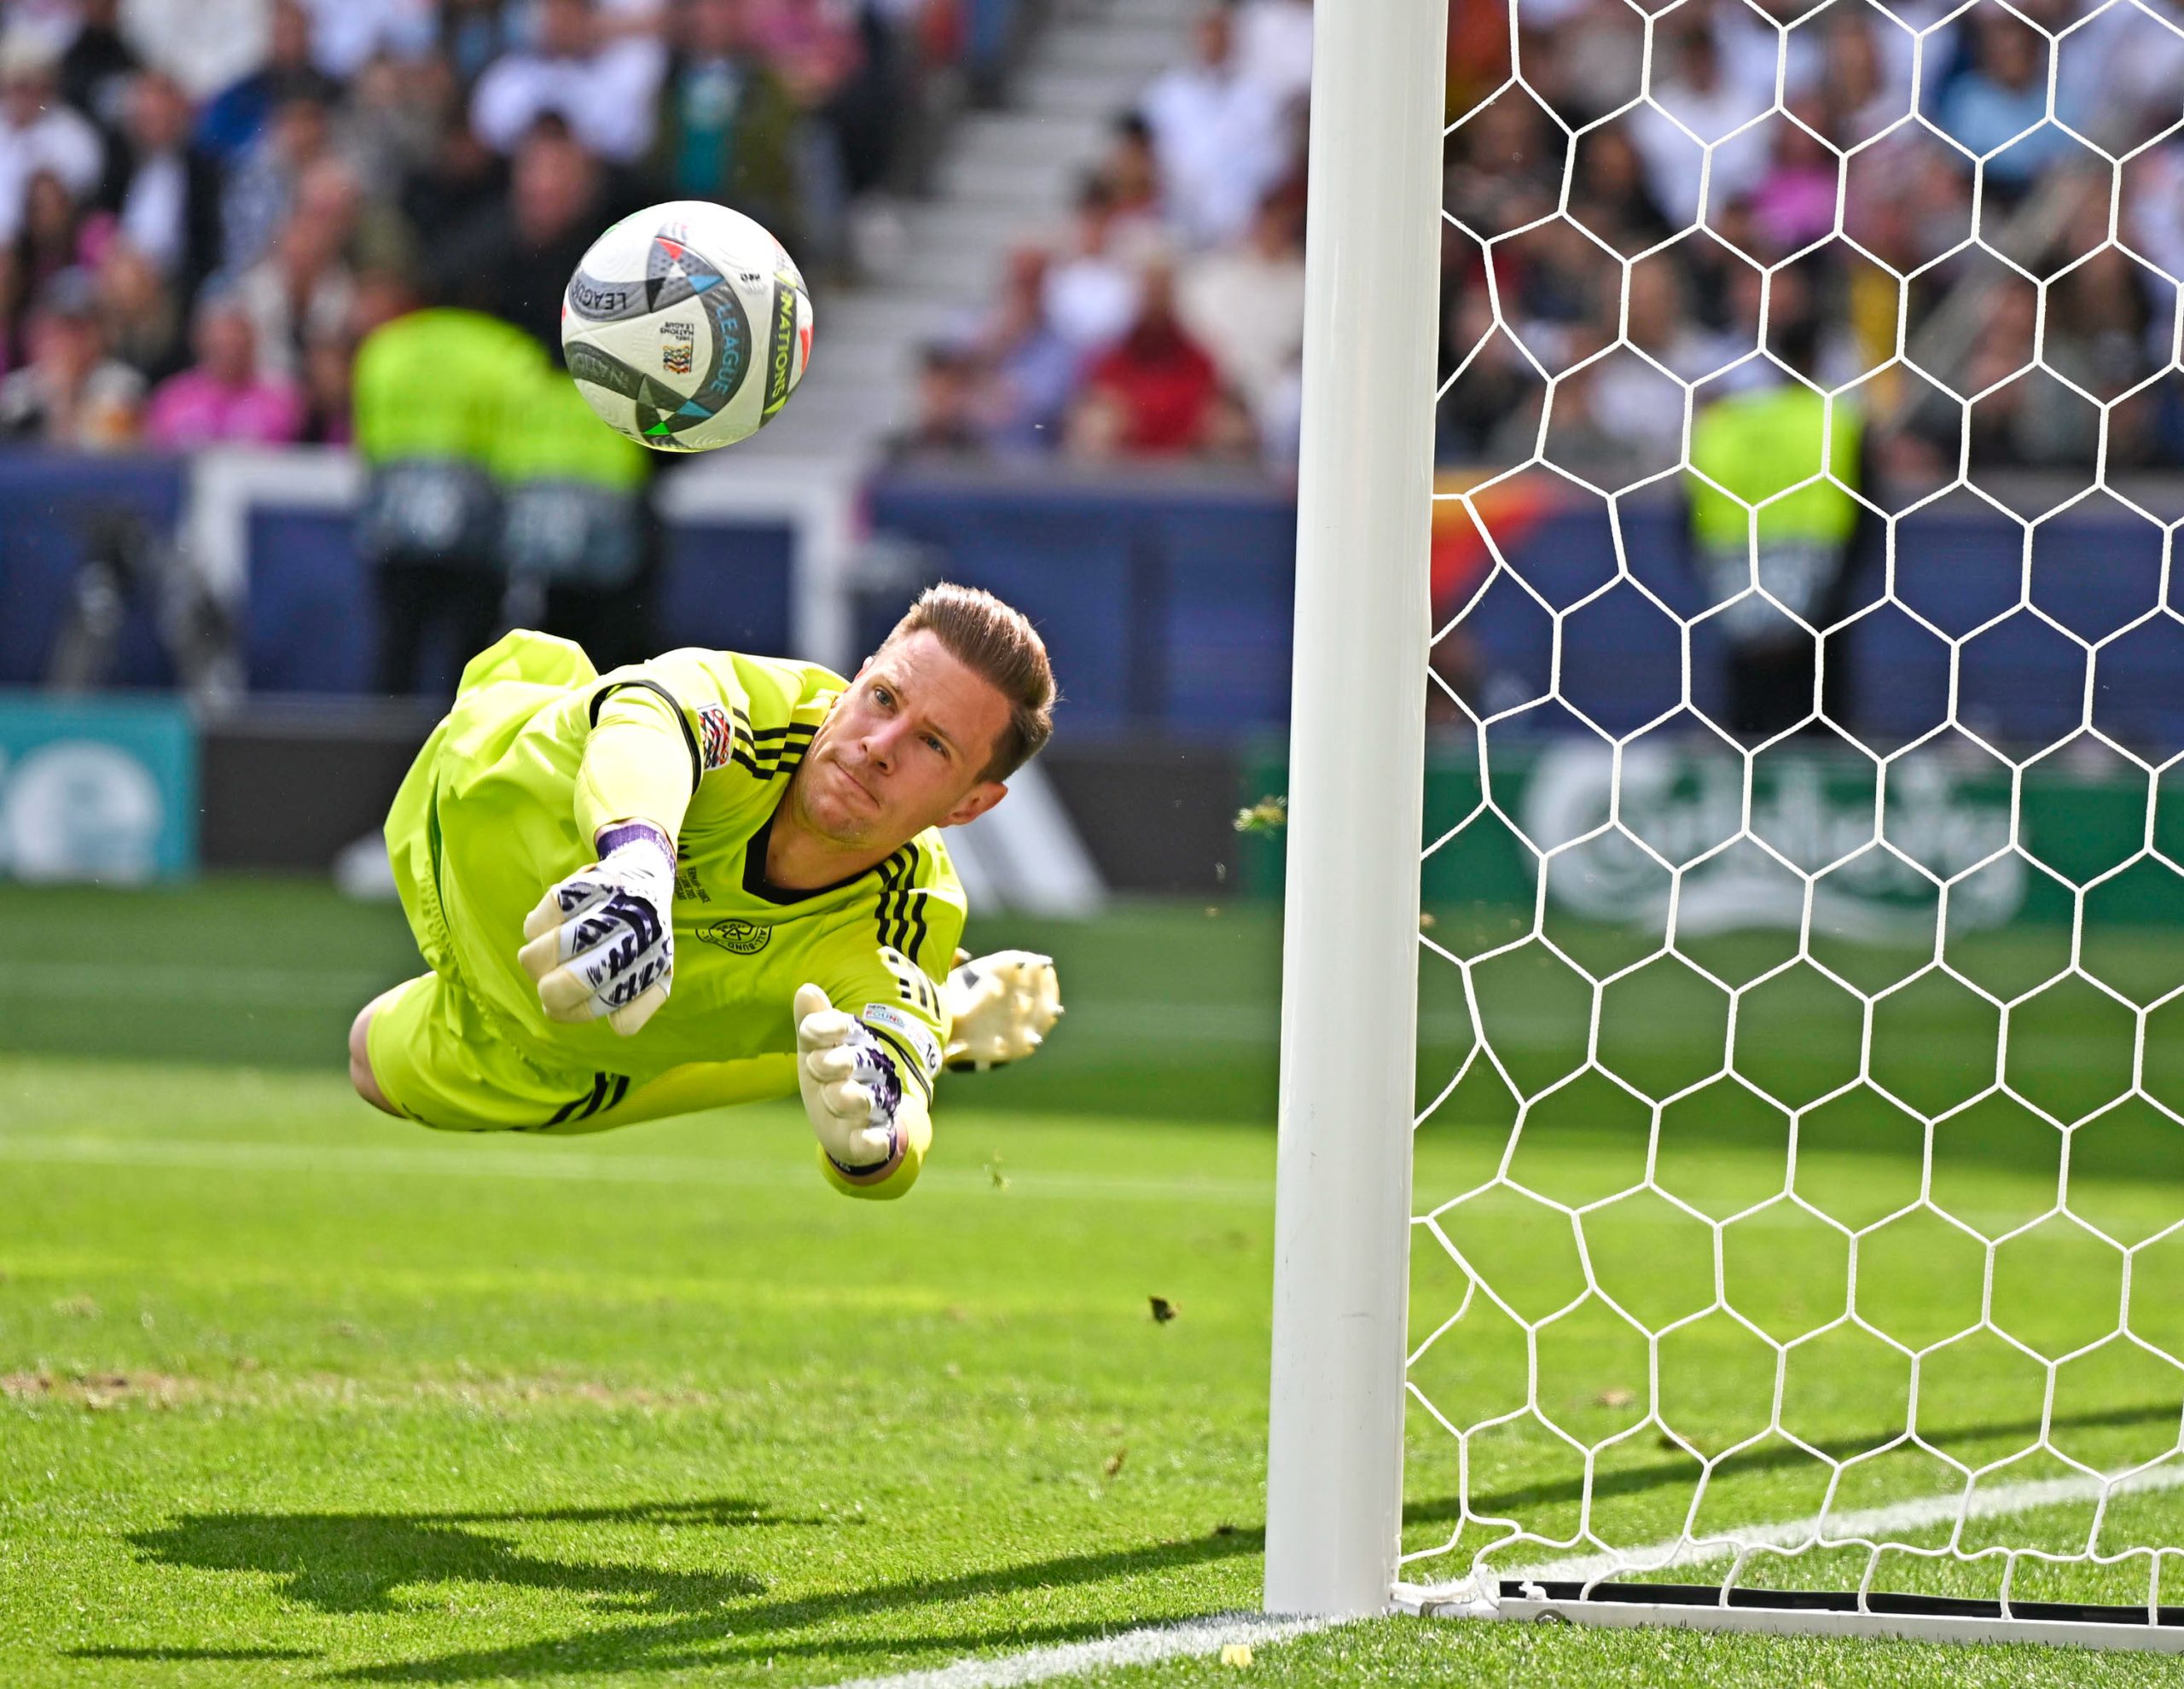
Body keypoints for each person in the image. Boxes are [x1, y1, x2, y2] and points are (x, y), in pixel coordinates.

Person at [346, 584, 1065, 1203]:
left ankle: (938, 1018)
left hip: (547, 1035)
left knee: (369, 1063)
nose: (881, 744)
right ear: (858, 677)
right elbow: (648, 731)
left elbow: (896, 1124)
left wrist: (874, 1143)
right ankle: (950, 1012)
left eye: (933, 745)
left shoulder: (907, 916)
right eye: (882, 699)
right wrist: (638, 865)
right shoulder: (756, 704)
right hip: (461, 808)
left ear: (970, 805)